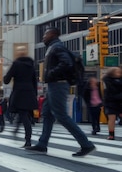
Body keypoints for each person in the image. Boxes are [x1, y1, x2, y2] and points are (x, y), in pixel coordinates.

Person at [25, 28, 96, 157]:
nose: (43, 37)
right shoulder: (53, 47)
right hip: (53, 85)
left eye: (45, 34)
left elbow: (66, 63)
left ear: (53, 34)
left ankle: (86, 144)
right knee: (47, 114)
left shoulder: (57, 47)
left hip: (58, 84)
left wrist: (52, 73)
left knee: (61, 115)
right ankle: (42, 144)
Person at [3, 46, 38, 147]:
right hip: (30, 92)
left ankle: (28, 140)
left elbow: (6, 80)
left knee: (23, 115)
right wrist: (34, 94)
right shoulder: (31, 65)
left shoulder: (16, 64)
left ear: (18, 54)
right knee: (24, 113)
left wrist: (7, 74)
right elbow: (34, 81)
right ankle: (18, 131)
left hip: (19, 92)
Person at [102, 67, 122, 140]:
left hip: (120, 101)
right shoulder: (107, 80)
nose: (119, 73)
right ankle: (111, 134)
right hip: (111, 101)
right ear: (112, 73)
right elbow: (110, 91)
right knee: (112, 118)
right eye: (117, 72)